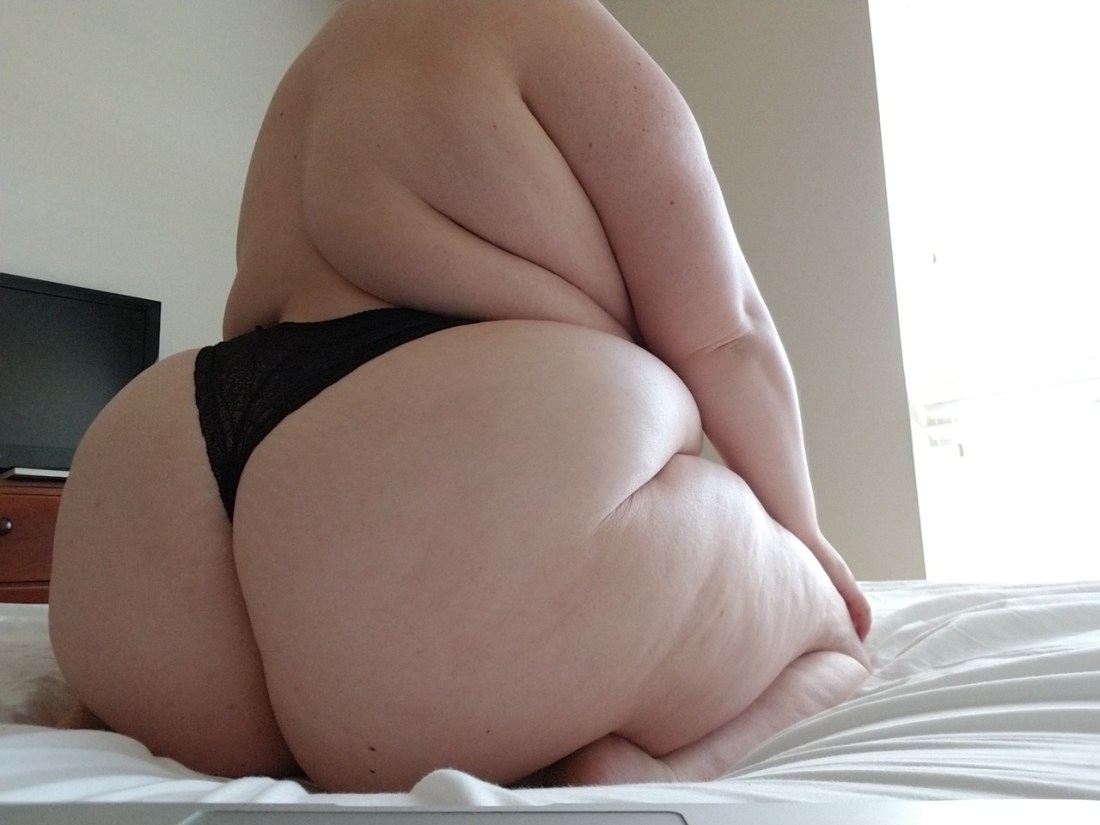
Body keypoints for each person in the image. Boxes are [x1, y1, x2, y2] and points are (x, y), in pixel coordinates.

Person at [49, 0, 871, 792]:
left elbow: (265, 321)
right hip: (440, 516)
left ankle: (171, 711)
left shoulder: (313, 70)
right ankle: (659, 771)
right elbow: (727, 337)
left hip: (159, 499)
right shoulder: (554, 22)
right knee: (833, 638)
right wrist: (806, 542)